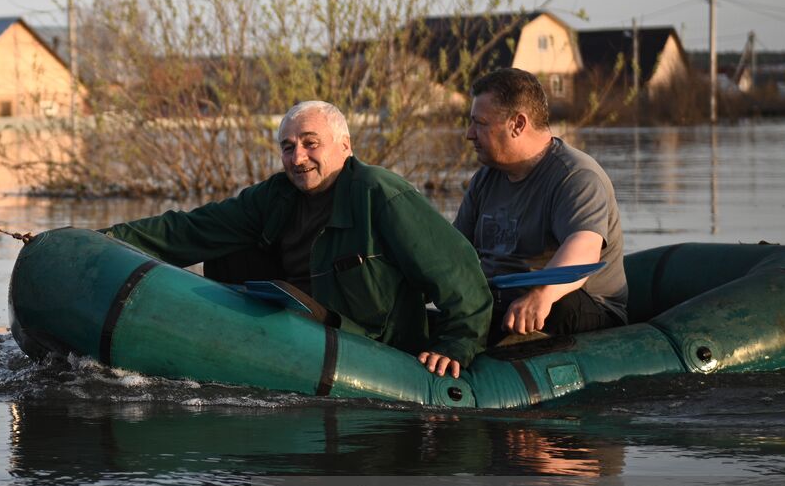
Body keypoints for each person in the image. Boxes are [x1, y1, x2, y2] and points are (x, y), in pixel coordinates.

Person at [105, 101, 491, 377]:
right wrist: (103, 242)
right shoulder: (276, 195)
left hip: (369, 338)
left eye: (310, 143)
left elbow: (456, 267)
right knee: (229, 245)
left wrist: (458, 342)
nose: (297, 157)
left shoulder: (379, 193)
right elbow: (190, 228)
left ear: (345, 146)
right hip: (299, 325)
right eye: (287, 147)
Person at [454, 68, 627, 344]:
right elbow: (453, 250)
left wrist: (543, 294)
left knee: (559, 306)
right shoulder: (485, 180)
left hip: (579, 307)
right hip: (503, 302)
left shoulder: (575, 176)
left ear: (518, 124)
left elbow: (585, 248)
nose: (469, 134)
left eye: (480, 123)